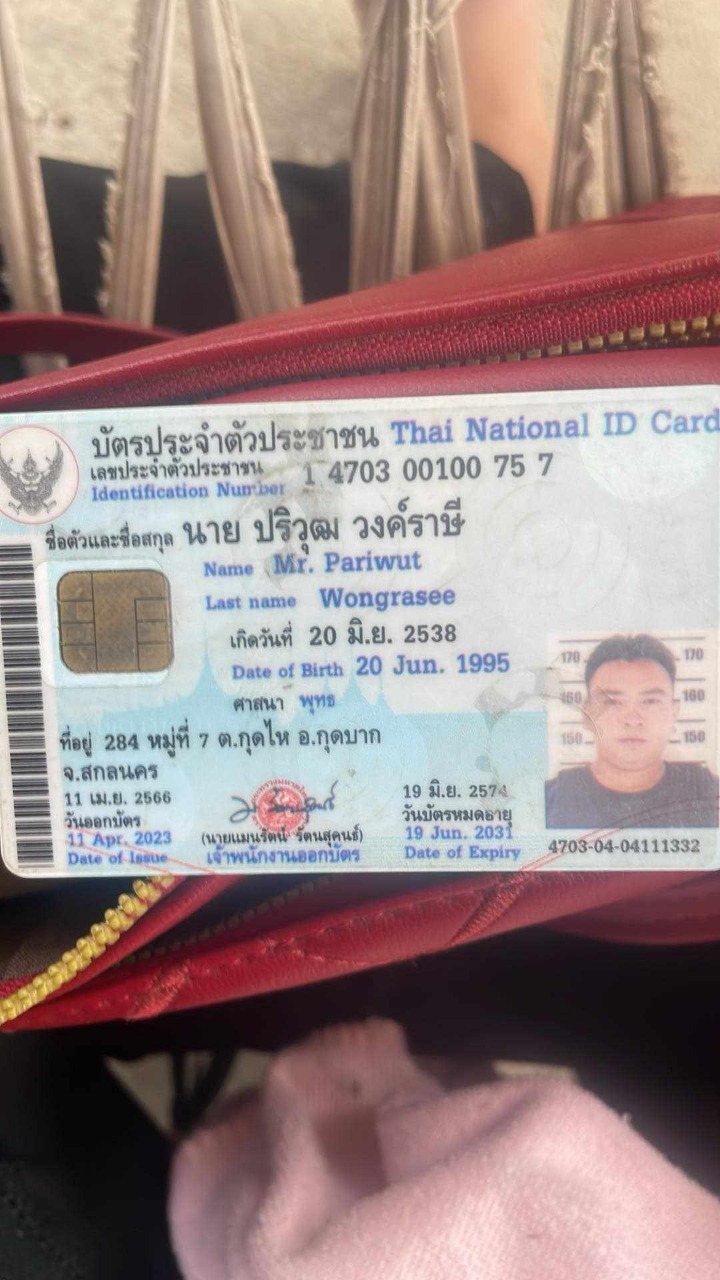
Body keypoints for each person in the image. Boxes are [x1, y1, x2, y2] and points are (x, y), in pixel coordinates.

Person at [546, 634, 719, 829]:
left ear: (674, 713)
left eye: (650, 701)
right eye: (613, 702)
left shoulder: (710, 793)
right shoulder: (549, 802)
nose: (632, 720)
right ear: (587, 715)